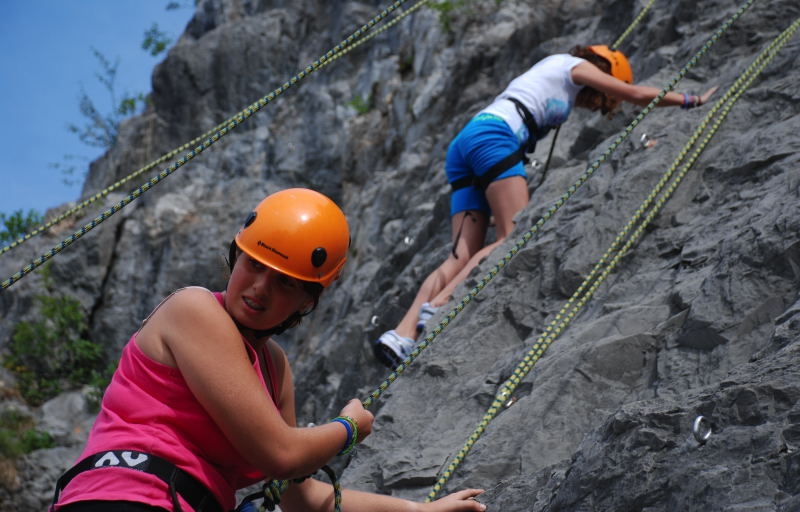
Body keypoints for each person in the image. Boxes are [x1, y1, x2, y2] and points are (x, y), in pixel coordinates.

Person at [51, 188, 487, 512]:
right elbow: (280, 453)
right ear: (235, 257)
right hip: (122, 498)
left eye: (284, 282)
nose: (259, 288)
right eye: (253, 265)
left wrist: (419, 510)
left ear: (307, 301)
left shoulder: (274, 369)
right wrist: (348, 427)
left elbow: (304, 497)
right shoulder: (193, 310)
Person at [373, 44, 718, 369]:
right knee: (512, 235)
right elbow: (637, 94)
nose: (595, 105)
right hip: (494, 138)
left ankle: (401, 335)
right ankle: (439, 307)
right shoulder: (575, 67)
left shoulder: (550, 69)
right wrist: (690, 100)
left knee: (460, 255)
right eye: (601, 97)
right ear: (605, 72)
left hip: (469, 140)